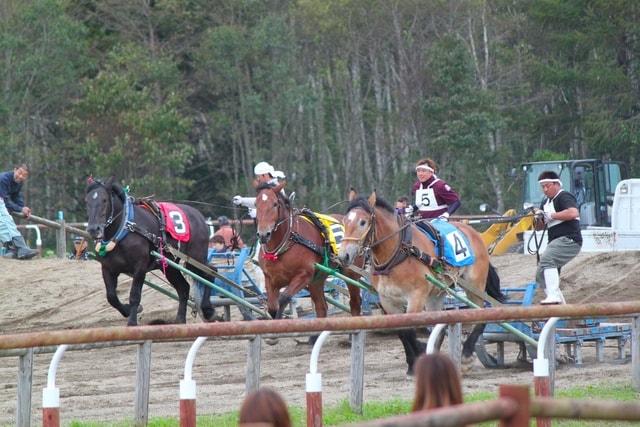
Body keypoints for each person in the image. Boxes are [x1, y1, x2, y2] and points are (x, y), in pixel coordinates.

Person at [533, 170, 582, 304]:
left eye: (547, 186)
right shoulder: (545, 203)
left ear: (557, 184)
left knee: (547, 259)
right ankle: (559, 304)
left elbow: (573, 213)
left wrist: (551, 215)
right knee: (540, 274)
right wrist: (539, 218)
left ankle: (553, 296)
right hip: (554, 242)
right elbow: (540, 227)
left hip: (569, 239)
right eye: (543, 187)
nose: (545, 189)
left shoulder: (564, 196)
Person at [0, 164, 38, 259]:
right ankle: (21, 247)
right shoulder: (3, 179)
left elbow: (16, 196)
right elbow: (6, 200)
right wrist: (20, 209)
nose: (21, 176)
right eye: (19, 173)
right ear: (15, 170)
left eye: (24, 175)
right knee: (7, 220)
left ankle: (11, 249)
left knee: (2, 225)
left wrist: (23, 208)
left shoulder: (19, 183)